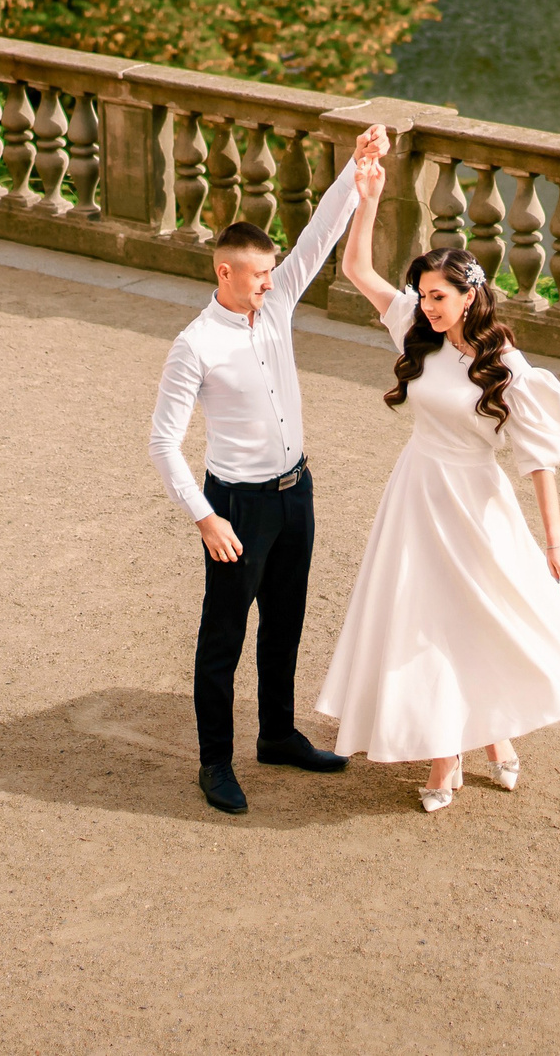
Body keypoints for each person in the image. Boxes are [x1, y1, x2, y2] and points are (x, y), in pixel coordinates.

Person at [316, 155, 560, 812]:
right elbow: (355, 270)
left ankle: (490, 735)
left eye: (439, 296)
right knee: (425, 620)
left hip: (476, 503)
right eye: (422, 295)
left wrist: (555, 540)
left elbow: (537, 456)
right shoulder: (417, 334)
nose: (427, 306)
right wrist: (369, 197)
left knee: (482, 616)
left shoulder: (506, 364)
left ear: (470, 295)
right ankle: (453, 751)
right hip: (416, 494)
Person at [149, 122, 393, 814]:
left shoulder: (278, 301)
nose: (267, 284)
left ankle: (279, 733)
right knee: (223, 638)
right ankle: (215, 763)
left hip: (295, 492)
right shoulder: (193, 345)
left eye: (269, 272)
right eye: (256, 275)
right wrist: (204, 516)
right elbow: (163, 442)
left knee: (286, 618)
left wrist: (357, 166)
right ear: (222, 271)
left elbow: (318, 233)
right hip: (237, 506)